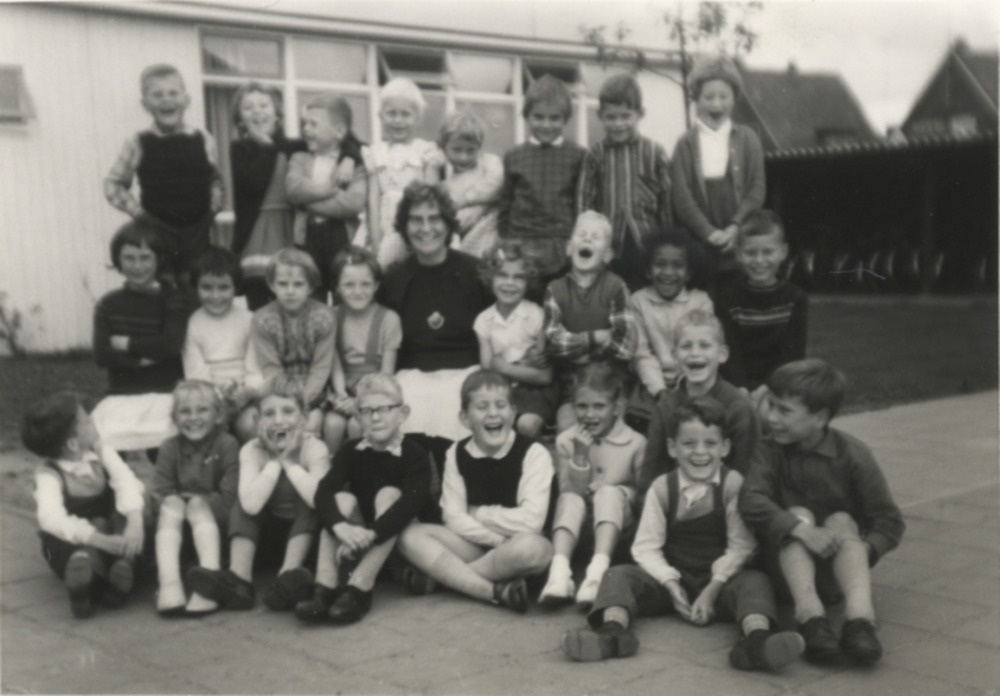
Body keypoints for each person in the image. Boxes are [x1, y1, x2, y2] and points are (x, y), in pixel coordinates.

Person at [560, 398, 805, 673]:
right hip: (674, 578)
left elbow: (742, 547)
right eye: (689, 443)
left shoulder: (732, 484)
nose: (700, 452)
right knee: (618, 575)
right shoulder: (663, 487)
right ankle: (611, 633)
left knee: (756, 581)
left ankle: (758, 640)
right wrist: (670, 583)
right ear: (672, 448)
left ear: (724, 447)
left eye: (710, 443)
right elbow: (646, 547)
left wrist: (712, 591)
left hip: (721, 582)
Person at [739, 359, 905, 665]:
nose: (771, 417)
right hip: (785, 572)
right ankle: (810, 618)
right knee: (798, 513)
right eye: (770, 405)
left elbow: (889, 521)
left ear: (820, 417)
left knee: (841, 521)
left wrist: (861, 551)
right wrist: (800, 530)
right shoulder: (769, 449)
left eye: (784, 411)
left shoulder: (853, 454)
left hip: (836, 574)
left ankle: (860, 620)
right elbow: (750, 499)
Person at [397, 370, 554, 613]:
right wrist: (496, 540)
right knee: (410, 536)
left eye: (501, 405)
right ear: (464, 418)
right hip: (477, 544)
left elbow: (531, 521)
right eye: (482, 407)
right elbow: (453, 517)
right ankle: (492, 589)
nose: (493, 413)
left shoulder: (534, 453)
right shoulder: (456, 453)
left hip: (517, 546)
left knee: (534, 550)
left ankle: (444, 579)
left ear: (513, 412)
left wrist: (478, 513)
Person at [297, 374, 433, 625]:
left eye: (384, 409)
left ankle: (359, 587)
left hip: (397, 545)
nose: (376, 417)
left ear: (402, 414)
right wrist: (340, 525)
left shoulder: (415, 455)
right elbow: (323, 491)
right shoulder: (351, 451)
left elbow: (408, 506)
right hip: (359, 543)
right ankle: (325, 586)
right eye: (367, 411)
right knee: (341, 498)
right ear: (358, 418)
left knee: (389, 494)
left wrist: (371, 534)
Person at [186, 376, 330, 611]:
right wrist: (274, 460)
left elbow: (319, 500)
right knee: (244, 500)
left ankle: (287, 577)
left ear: (304, 418)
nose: (279, 420)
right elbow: (251, 506)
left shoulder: (315, 448)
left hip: (306, 541)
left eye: (288, 411)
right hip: (268, 539)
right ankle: (239, 580)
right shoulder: (251, 450)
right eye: (269, 414)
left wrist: (290, 462)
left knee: (310, 499)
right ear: (258, 420)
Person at [377, 183, 493, 442]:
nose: (426, 228)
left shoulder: (477, 273)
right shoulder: (393, 280)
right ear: (404, 226)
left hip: (467, 374)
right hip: (412, 378)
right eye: (416, 220)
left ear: (448, 224)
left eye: (435, 218)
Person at [23, 393, 145, 618]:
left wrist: (135, 522)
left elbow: (125, 480)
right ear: (73, 443)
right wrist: (96, 538)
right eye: (87, 421)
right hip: (72, 541)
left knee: (125, 514)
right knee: (79, 546)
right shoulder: (49, 476)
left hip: (111, 533)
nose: (93, 421)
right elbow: (51, 518)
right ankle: (85, 580)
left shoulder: (100, 451)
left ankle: (122, 567)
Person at [539, 362, 646, 607]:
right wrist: (579, 456)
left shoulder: (636, 443)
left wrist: (620, 492)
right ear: (572, 406)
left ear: (617, 407)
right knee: (569, 499)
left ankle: (597, 574)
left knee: (608, 493)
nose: (589, 415)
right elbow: (568, 493)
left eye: (599, 406)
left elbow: (642, 497)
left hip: (618, 532)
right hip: (580, 530)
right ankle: (559, 573)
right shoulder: (567, 441)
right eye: (582, 406)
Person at [104, 64, 224, 282]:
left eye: (173, 93)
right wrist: (139, 214)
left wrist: (213, 209)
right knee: (162, 287)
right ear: (145, 104)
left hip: (197, 232)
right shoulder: (138, 142)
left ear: (186, 100)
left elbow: (215, 181)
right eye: (157, 95)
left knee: (195, 285)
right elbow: (113, 184)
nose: (166, 100)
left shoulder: (204, 139)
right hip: (156, 232)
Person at [91, 219, 196, 453]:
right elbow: (102, 355)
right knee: (105, 449)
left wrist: (127, 343)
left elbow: (170, 345)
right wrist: (144, 358)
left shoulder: (173, 300)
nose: (137, 266)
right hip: (121, 395)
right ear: (117, 260)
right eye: (129, 258)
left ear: (159, 260)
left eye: (145, 258)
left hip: (165, 393)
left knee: (164, 454)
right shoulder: (108, 304)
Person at [671, 54, 766, 295]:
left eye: (724, 96)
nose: (717, 104)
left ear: (735, 98)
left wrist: (735, 226)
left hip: (739, 240)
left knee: (739, 300)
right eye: (709, 97)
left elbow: (756, 189)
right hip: (700, 244)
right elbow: (682, 197)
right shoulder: (685, 144)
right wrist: (709, 233)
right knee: (702, 303)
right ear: (695, 98)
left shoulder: (748, 139)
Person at [640, 310, 760, 488]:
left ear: (722, 354)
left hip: (725, 497)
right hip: (676, 499)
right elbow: (652, 473)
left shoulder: (739, 406)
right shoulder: (665, 407)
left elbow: (748, 472)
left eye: (705, 345)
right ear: (675, 356)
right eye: (686, 346)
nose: (695, 353)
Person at [577, 74, 673, 291]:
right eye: (611, 117)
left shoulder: (654, 152)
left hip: (647, 244)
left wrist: (666, 245)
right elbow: (584, 202)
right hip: (607, 247)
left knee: (646, 298)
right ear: (600, 116)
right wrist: (587, 242)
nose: (618, 124)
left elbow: (666, 204)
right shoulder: (595, 154)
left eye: (626, 116)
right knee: (609, 296)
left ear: (640, 114)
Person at [543, 211, 636, 432]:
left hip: (611, 384)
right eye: (582, 234)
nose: (587, 239)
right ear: (569, 248)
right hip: (573, 386)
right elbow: (552, 343)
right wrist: (593, 338)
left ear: (607, 255)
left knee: (614, 428)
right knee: (566, 426)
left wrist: (582, 354)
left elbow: (624, 345)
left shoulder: (616, 287)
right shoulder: (555, 289)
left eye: (596, 237)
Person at [153, 380, 239, 615]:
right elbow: (161, 492)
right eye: (184, 411)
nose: (193, 418)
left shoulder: (227, 444)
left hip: (215, 528)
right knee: (171, 503)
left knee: (197, 504)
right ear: (174, 417)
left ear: (218, 415)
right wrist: (182, 503)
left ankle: (209, 582)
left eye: (202, 410)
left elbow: (229, 498)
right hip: (179, 530)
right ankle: (169, 583)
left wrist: (195, 502)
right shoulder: (169, 447)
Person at [247, 248, 340, 455]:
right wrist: (288, 405)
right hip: (278, 390)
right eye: (282, 284)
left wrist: (304, 404)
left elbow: (321, 367)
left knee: (314, 424)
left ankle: (319, 467)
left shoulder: (324, 316)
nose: (290, 291)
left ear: (311, 286)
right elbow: (271, 368)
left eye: (298, 284)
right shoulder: (262, 319)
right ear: (271, 284)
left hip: (315, 392)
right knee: (274, 424)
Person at [499, 74, 587, 283]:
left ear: (565, 118)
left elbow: (581, 204)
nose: (546, 125)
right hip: (522, 244)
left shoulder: (579, 156)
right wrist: (506, 241)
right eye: (538, 117)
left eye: (554, 118)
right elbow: (506, 204)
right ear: (527, 116)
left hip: (562, 245)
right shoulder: (514, 156)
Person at [716, 210, 808, 409]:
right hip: (736, 384)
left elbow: (792, 355)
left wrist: (766, 388)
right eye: (750, 253)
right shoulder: (728, 297)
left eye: (768, 252)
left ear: (783, 252)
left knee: (776, 413)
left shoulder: (795, 298)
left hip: (780, 382)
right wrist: (741, 389)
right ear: (738, 254)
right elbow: (730, 352)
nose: (759, 261)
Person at [229, 82, 307, 310]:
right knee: (260, 303)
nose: (257, 111)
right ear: (240, 120)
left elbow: (344, 140)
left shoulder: (294, 146)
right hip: (257, 234)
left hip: (289, 231)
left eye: (264, 105)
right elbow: (254, 183)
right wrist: (265, 144)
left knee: (292, 298)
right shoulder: (240, 149)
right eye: (248, 107)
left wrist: (350, 158)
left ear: (277, 114)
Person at [286, 93, 367, 302]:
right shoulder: (299, 158)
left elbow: (353, 203)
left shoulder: (354, 164)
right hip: (308, 238)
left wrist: (306, 203)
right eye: (304, 124)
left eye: (313, 124)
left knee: (344, 293)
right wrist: (331, 190)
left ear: (339, 131)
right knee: (311, 295)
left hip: (341, 238)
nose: (306, 129)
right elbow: (294, 189)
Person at [629, 228, 714, 425]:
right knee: (644, 419)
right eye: (660, 264)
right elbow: (641, 354)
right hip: (652, 384)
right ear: (648, 270)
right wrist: (659, 390)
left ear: (689, 273)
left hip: (695, 379)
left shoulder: (701, 301)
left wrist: (684, 387)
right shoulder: (638, 301)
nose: (668, 272)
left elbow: (703, 351)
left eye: (677, 265)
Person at [473, 240, 555, 439]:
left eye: (518, 277)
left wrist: (505, 367)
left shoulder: (536, 315)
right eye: (502, 275)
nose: (509, 283)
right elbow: (488, 370)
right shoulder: (483, 320)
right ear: (491, 278)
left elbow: (544, 376)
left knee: (527, 425)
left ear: (528, 282)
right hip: (502, 390)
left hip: (535, 391)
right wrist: (520, 366)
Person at [324, 246, 403, 450]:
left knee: (357, 425)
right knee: (332, 424)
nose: (358, 292)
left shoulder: (388, 319)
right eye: (349, 285)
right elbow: (333, 361)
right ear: (337, 287)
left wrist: (361, 401)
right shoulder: (330, 317)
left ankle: (361, 465)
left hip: (377, 392)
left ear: (376, 285)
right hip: (342, 390)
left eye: (365, 284)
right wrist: (341, 395)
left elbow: (387, 373)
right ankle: (333, 467)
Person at [364, 78, 443, 269]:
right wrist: (376, 243)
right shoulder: (376, 153)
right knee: (383, 271)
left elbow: (432, 197)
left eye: (405, 114)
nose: (398, 120)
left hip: (419, 225)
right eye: (391, 113)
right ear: (381, 115)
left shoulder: (426, 151)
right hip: (385, 230)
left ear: (417, 117)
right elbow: (373, 201)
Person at [182, 247, 258, 442]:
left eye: (224, 288)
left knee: (250, 424)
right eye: (207, 288)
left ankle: (252, 459)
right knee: (207, 429)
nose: (215, 296)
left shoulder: (249, 319)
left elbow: (255, 366)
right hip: (207, 398)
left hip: (245, 396)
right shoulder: (194, 322)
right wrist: (216, 397)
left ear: (236, 287)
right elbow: (195, 372)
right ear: (196, 287)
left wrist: (247, 391)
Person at [437, 111, 505, 258]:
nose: (464, 157)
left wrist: (466, 201)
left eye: (471, 150)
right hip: (473, 243)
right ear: (444, 148)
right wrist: (484, 206)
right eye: (457, 150)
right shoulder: (446, 186)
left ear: (479, 147)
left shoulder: (488, 162)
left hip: (498, 229)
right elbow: (459, 223)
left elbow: (498, 181)